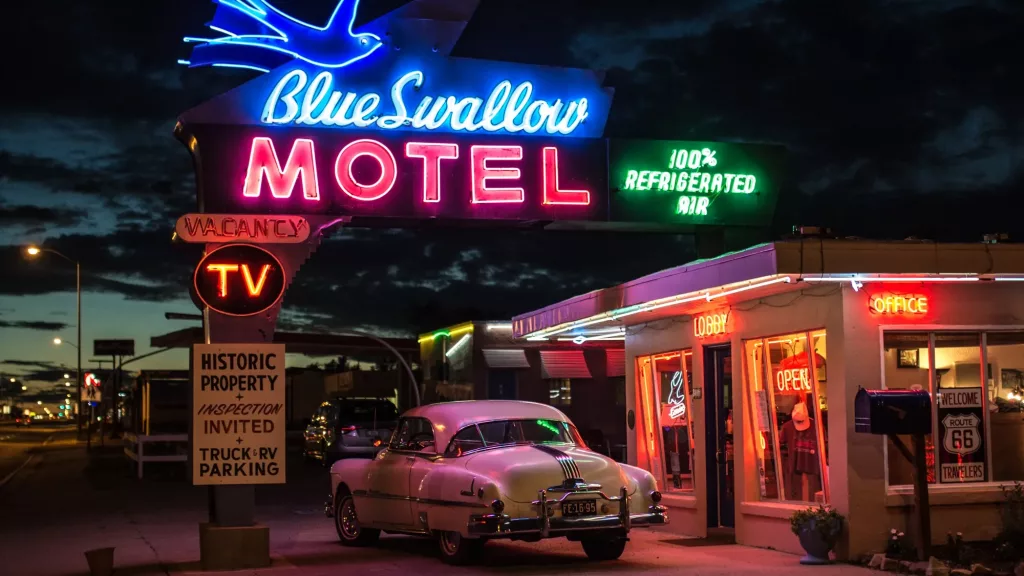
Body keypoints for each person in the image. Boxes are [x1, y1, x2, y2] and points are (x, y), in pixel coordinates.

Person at [779, 401, 821, 501]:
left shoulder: (816, 426)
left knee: (814, 492)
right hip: (795, 462)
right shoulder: (787, 427)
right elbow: (781, 443)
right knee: (794, 492)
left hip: (811, 463)